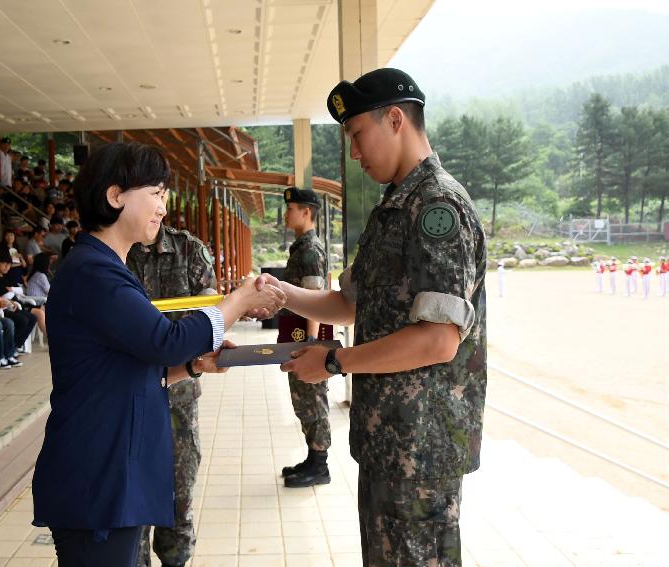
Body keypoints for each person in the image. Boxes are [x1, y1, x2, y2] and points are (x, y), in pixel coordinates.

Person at [258, 68, 487, 567]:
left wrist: (336, 361)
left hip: (422, 448)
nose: (355, 153)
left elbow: (438, 340)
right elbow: (350, 304)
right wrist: (283, 293)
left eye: (358, 136)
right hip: (389, 441)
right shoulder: (395, 208)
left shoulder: (437, 207)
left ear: (396, 119)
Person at [31, 142, 285, 566]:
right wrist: (238, 302)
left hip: (110, 473)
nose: (163, 208)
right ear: (116, 197)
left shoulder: (105, 268)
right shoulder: (94, 273)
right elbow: (164, 341)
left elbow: (126, 369)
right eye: (156, 194)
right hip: (99, 477)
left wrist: (192, 365)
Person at [127, 217, 217, 567]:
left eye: (162, 195)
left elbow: (211, 311)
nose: (158, 205)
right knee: (132, 503)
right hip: (129, 398)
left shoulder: (189, 249)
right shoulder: (114, 252)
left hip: (178, 397)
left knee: (179, 495)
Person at [275, 186, 333, 488]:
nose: (287, 214)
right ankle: (313, 457)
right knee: (303, 399)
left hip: (306, 338)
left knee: (312, 397)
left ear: (306, 212)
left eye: (291, 208)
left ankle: (320, 464)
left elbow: (313, 298)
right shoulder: (301, 247)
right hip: (296, 336)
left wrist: (310, 345)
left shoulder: (310, 251)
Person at [0, 253, 40, 346]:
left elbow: (21, 289)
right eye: (4, 264)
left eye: (9, 264)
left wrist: (11, 291)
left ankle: (16, 345)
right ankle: (12, 346)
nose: (7, 267)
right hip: (2, 307)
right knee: (23, 320)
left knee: (33, 318)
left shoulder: (6, 276)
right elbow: (1, 294)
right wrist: (11, 293)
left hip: (14, 304)